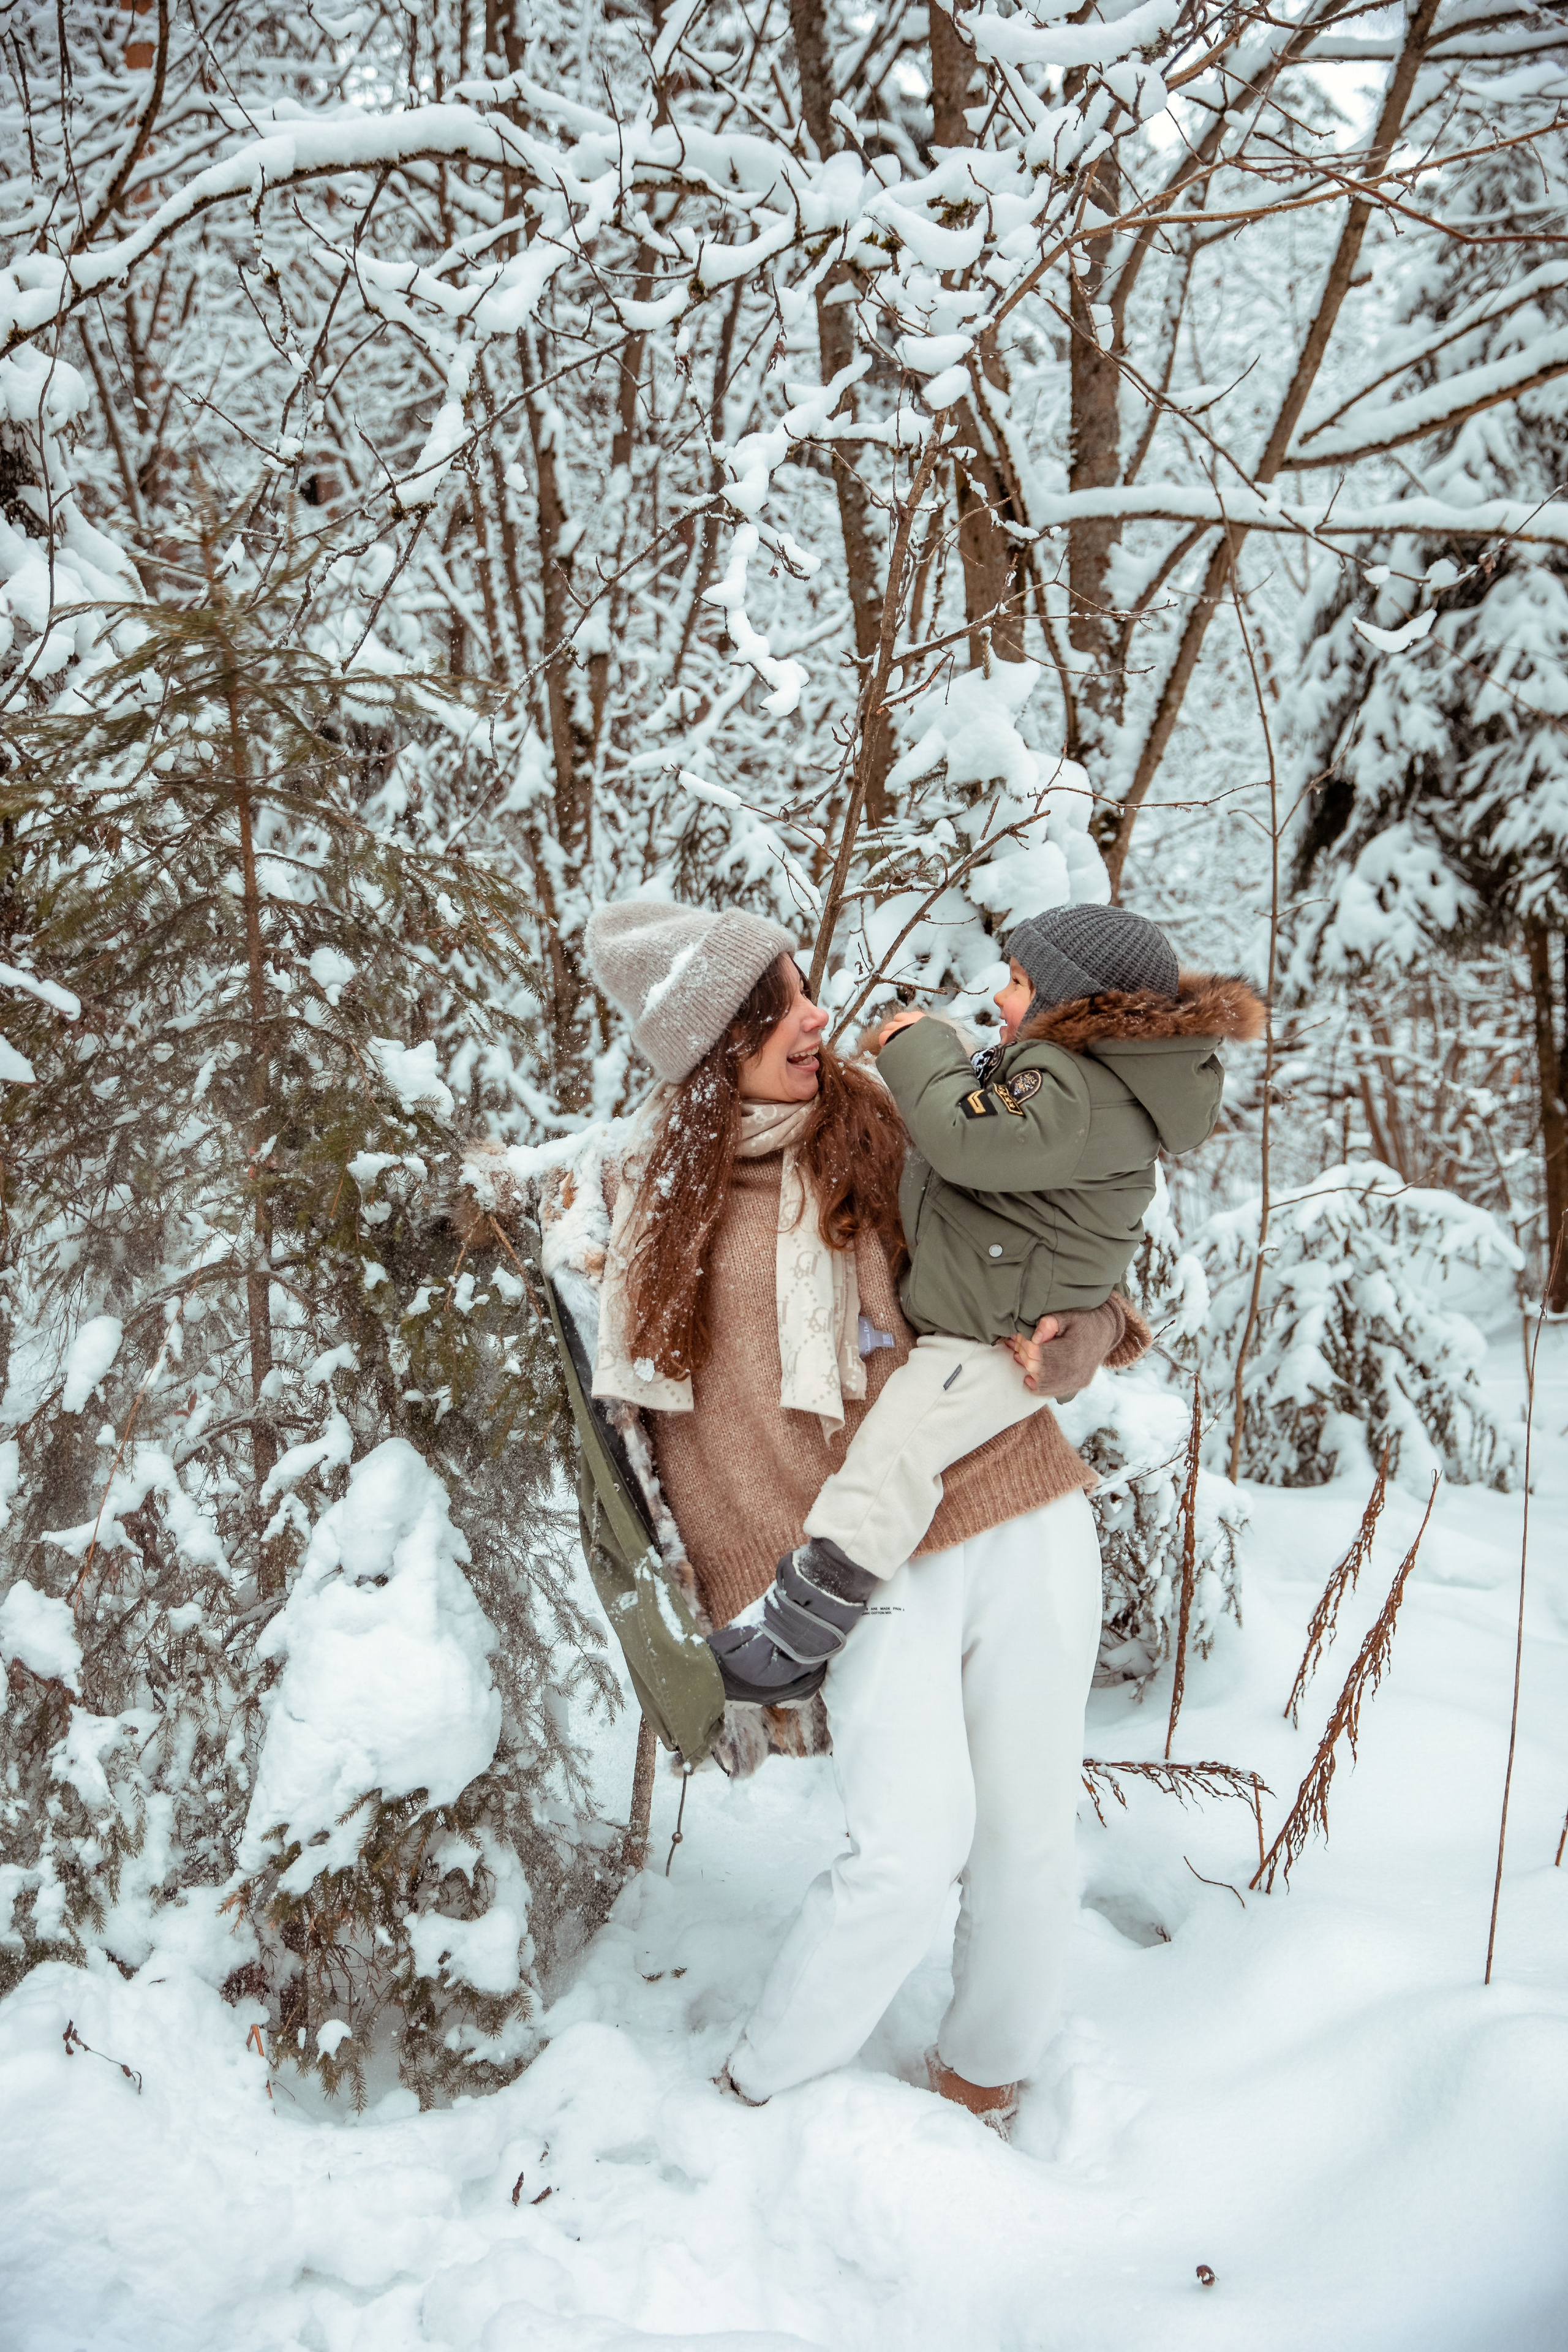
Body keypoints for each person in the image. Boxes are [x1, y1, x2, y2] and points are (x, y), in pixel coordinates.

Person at [581, 896, 1142, 2132]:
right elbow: (675, 1436)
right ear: (705, 1042)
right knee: (902, 1854)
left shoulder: (882, 1120)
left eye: (802, 987)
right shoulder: (647, 1203)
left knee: (1026, 1841)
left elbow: (1062, 1232)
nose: (812, 1016)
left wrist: (1096, 1330)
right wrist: (743, 1607)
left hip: (1015, 1499)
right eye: (771, 1005)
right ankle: (757, 2088)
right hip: (860, 1559)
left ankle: (983, 2079)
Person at [709, 903, 1265, 1706]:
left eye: (1017, 984)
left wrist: (925, 1045)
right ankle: (801, 1630)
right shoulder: (1087, 1084)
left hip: (993, 1337)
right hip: (995, 1315)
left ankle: (798, 1634)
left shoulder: (1074, 1091)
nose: (1000, 1000)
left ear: (1070, 1005)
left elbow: (965, 1138)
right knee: (900, 1454)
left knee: (894, 1456)